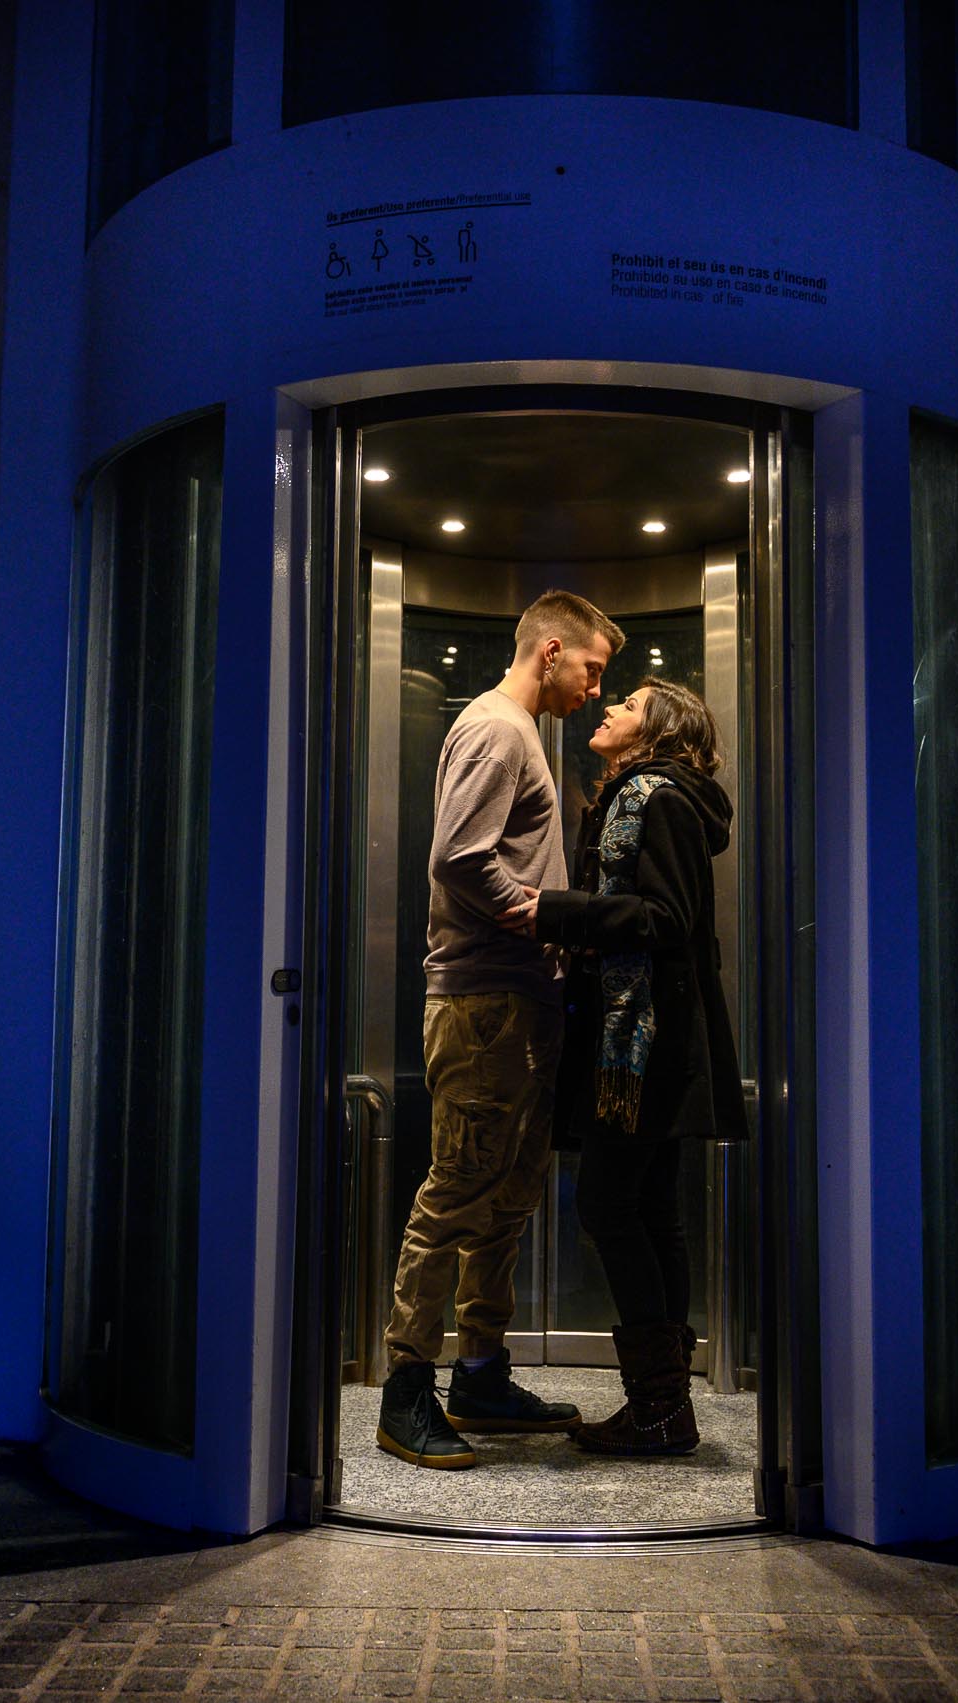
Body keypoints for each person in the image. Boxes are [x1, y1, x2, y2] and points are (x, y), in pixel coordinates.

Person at [375, 590, 624, 1471]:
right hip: (482, 1000)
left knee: (509, 1191)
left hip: (518, 1002)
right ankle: (407, 1388)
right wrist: (542, 915)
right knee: (456, 1188)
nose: (596, 690)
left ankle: (479, 1371)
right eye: (592, 669)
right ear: (551, 649)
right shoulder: (497, 728)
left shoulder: (522, 734)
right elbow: (458, 854)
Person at [502, 678, 742, 1456]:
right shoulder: (633, 799)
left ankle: (660, 1403)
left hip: (642, 1047)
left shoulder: (659, 800)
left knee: (609, 1207)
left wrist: (556, 909)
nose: (610, 710)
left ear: (657, 731)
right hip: (645, 1041)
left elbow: (665, 920)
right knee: (654, 1211)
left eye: (630, 705)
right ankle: (666, 1408)